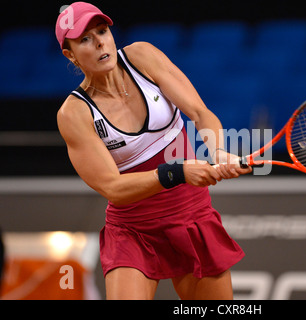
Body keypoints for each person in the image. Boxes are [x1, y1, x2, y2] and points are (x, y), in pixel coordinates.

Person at [55, 2, 252, 300]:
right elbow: (113, 187)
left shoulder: (142, 57)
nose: (99, 43)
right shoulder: (74, 114)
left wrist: (220, 151)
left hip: (191, 215)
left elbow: (200, 113)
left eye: (102, 31)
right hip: (133, 232)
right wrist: (177, 172)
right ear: (70, 55)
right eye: (84, 39)